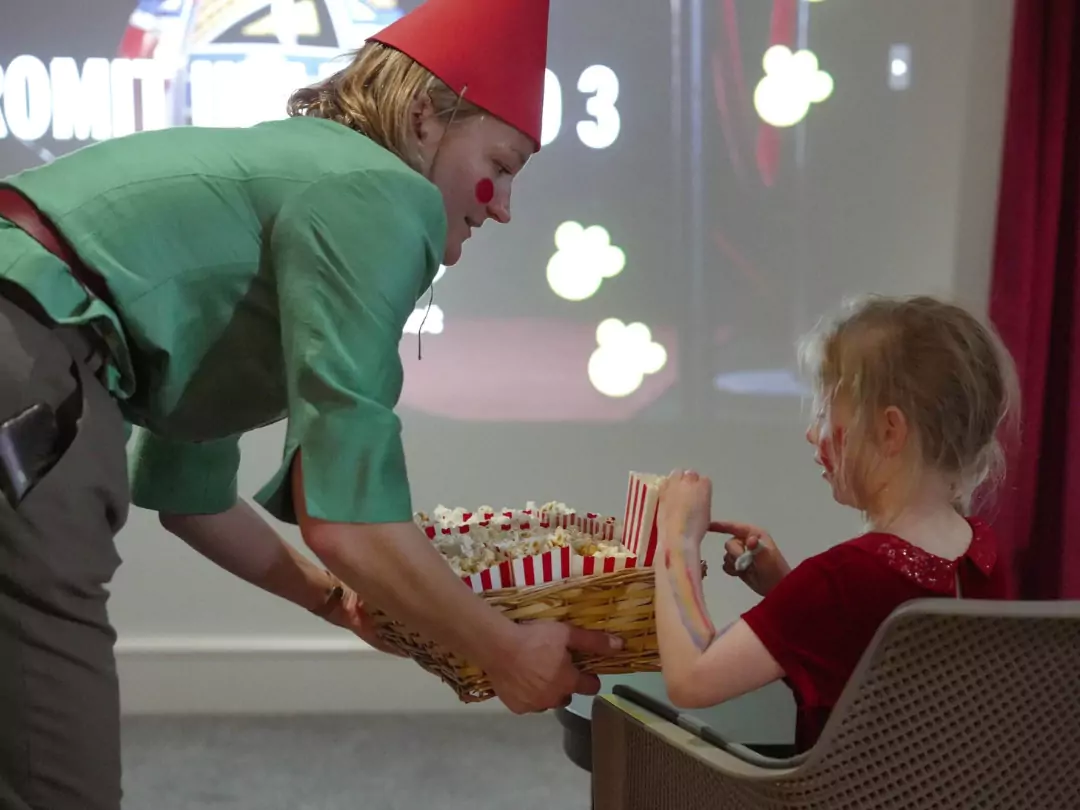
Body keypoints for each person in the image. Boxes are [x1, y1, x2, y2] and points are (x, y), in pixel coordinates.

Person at [0, 1, 622, 808]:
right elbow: (350, 521)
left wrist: (334, 601)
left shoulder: (289, 185)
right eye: (501, 166)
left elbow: (190, 499)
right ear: (423, 116)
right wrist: (504, 651)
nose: (503, 205)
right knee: (55, 773)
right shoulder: (379, 193)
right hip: (26, 366)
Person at [653, 294, 1019, 753]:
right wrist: (786, 591)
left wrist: (677, 539)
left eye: (826, 412)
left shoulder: (840, 581)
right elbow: (864, 651)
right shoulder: (982, 557)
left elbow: (691, 680)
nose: (813, 432)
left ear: (890, 431)